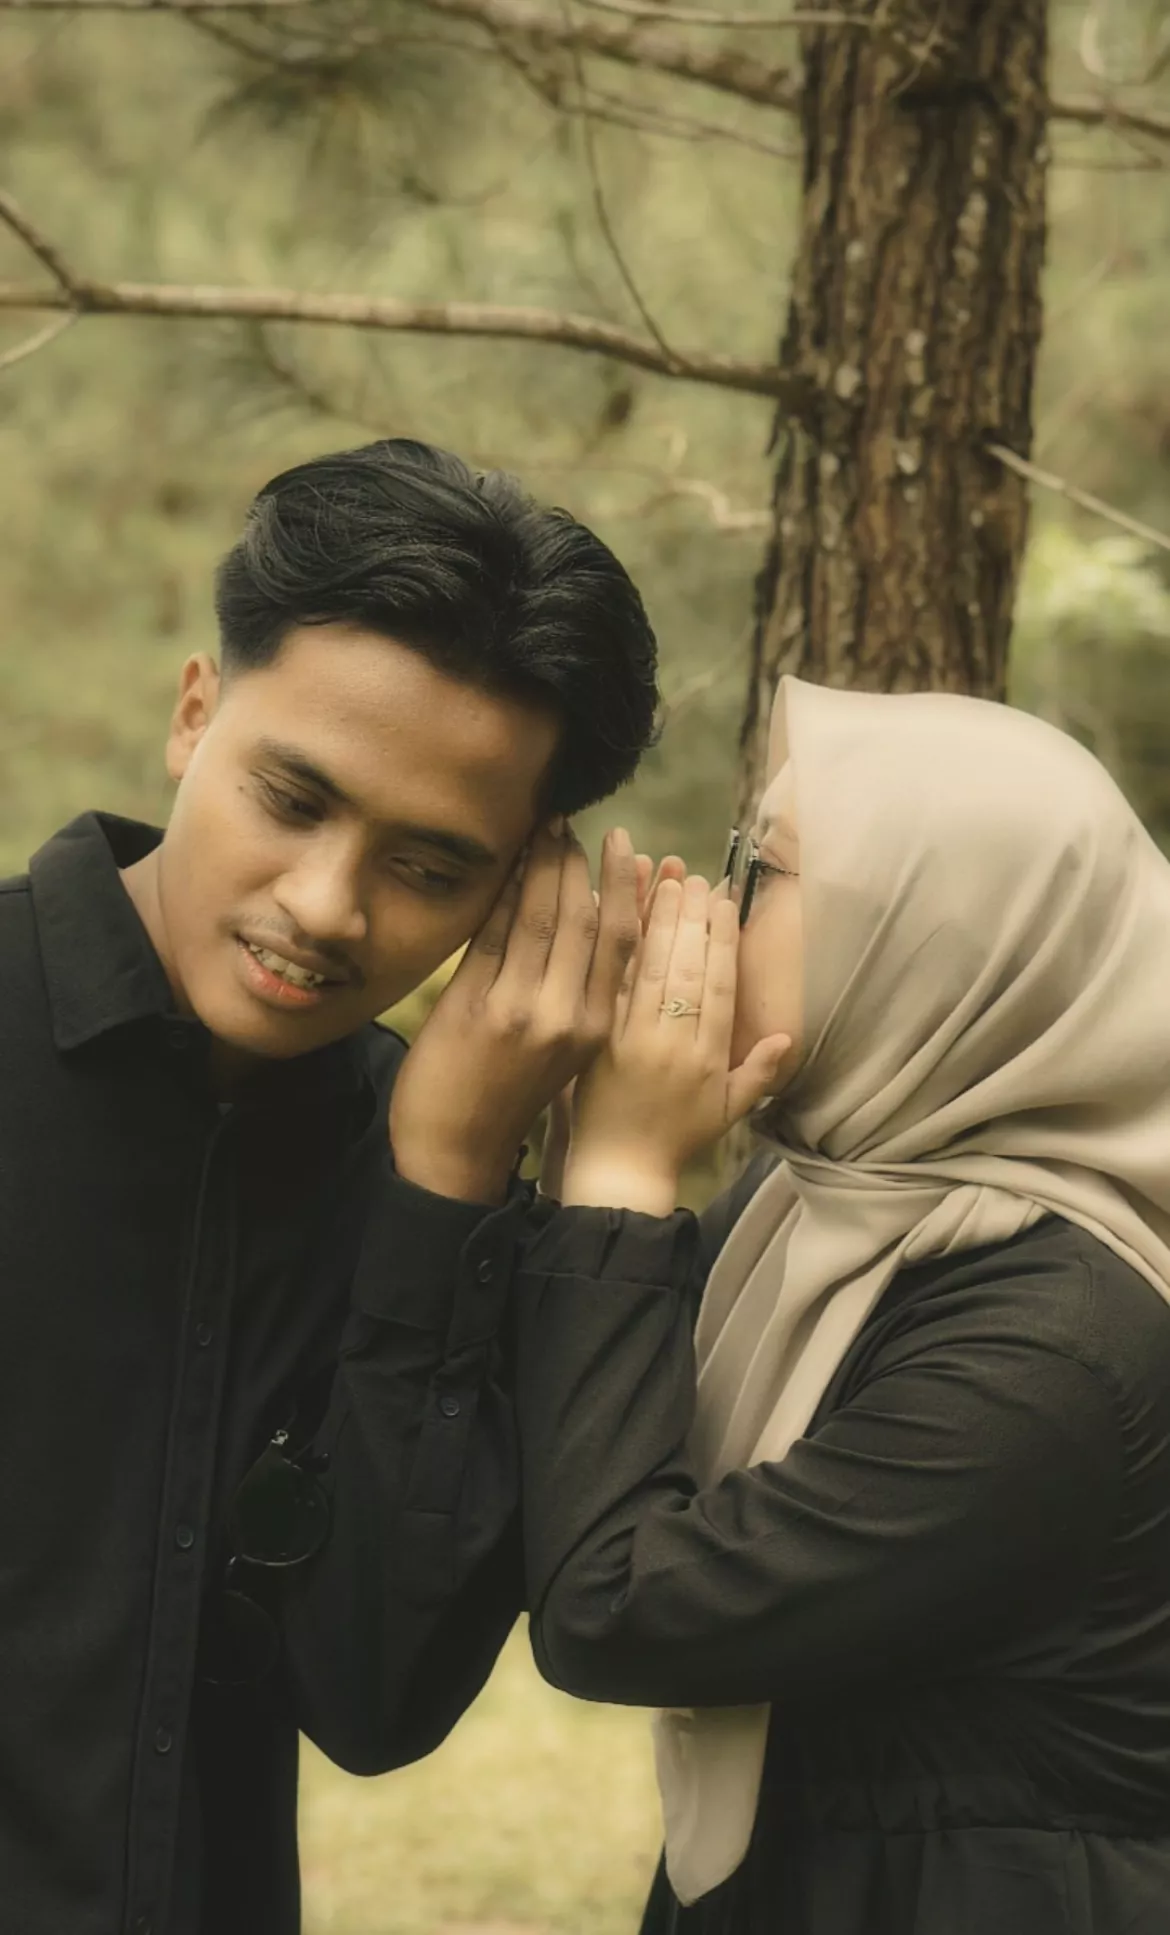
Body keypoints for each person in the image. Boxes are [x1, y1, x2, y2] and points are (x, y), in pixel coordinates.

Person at [0, 436, 658, 1934]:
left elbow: (372, 1700)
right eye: (293, 798)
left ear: (518, 890)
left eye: (430, 867)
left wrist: (447, 1179)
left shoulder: (429, 1177)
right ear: (192, 714)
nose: (324, 906)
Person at [510, 674, 1170, 1934]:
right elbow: (565, 1457)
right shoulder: (822, 1206)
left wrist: (624, 1176)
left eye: (760, 870)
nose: (711, 910)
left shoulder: (1053, 1353)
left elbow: (618, 1604)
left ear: (934, 943)